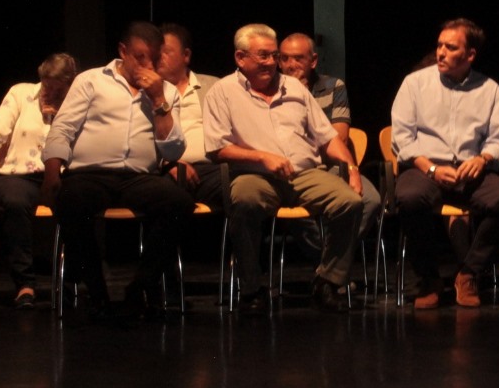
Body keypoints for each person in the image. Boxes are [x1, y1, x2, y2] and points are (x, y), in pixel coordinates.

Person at [202, 23, 363, 314]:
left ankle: (327, 280)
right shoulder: (222, 92)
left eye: (273, 55)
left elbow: (328, 137)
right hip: (254, 174)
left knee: (349, 201)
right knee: (245, 200)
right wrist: (262, 158)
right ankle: (251, 288)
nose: (271, 62)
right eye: (262, 55)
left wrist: (351, 168)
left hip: (304, 173)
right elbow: (216, 148)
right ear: (240, 58)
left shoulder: (295, 88)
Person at [41, 21, 196, 320]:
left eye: (154, 58)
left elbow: (173, 151)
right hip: (91, 175)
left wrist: (158, 100)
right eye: (140, 57)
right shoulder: (91, 81)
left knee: (179, 204)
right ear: (123, 51)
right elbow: (63, 128)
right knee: (71, 201)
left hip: (139, 177)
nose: (148, 65)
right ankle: (96, 291)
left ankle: (140, 288)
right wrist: (52, 172)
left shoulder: (165, 92)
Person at [390, 17, 499, 309]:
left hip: (469, 170)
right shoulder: (415, 84)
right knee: (409, 198)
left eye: (450, 48)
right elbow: (401, 138)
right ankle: (429, 279)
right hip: (425, 168)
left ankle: (468, 273)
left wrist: (482, 159)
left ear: (470, 54)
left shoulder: (489, 89)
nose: (441, 53)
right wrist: (431, 168)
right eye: (439, 45)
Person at [0, 53, 78, 308]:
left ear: (70, 83)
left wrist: (61, 116)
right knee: (15, 201)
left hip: (60, 175)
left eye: (57, 89)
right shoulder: (21, 94)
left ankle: (69, 281)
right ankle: (25, 284)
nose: (49, 93)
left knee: (81, 198)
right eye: (46, 86)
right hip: (17, 175)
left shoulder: (77, 103)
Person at [277, 33, 381, 266]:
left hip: (331, 165)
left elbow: (339, 137)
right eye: (284, 58)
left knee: (370, 200)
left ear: (313, 61)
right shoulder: (272, 91)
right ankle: (332, 267)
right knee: (294, 207)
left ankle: (330, 264)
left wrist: (303, 97)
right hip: (296, 169)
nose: (290, 65)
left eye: (298, 58)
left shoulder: (333, 87)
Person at [156, 23, 223, 206]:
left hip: (212, 168)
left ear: (186, 55)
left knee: (237, 188)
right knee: (167, 197)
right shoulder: (149, 92)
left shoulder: (214, 86)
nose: (159, 57)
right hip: (168, 169)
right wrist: (168, 163)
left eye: (166, 52)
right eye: (156, 52)